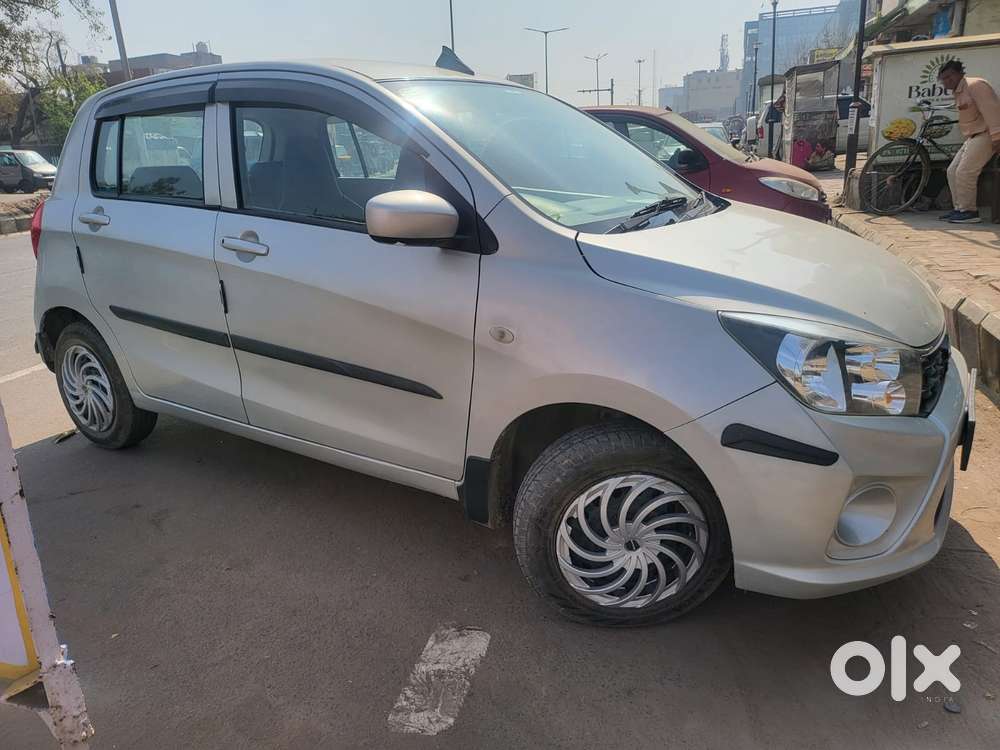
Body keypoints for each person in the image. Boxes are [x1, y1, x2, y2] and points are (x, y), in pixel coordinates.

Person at [937, 60, 1000, 224]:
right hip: (973, 136)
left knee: (965, 172)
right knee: (952, 171)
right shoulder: (959, 91)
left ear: (960, 73)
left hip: (986, 134)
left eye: (950, 77)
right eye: (943, 79)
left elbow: (992, 111)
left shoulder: (975, 85)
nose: (946, 81)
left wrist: (996, 136)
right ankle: (959, 208)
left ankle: (969, 212)